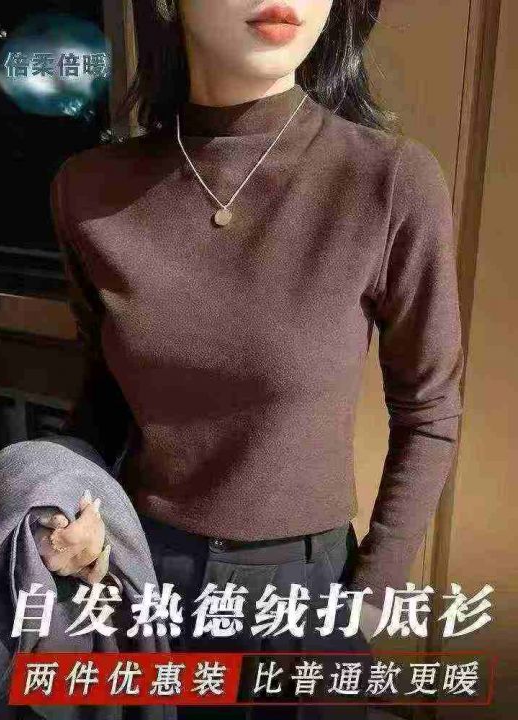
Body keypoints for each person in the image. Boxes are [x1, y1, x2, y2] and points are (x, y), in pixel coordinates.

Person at [40, 0, 464, 717]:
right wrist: (63, 506)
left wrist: (370, 597)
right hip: (138, 576)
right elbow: (104, 398)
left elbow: (430, 411)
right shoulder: (88, 189)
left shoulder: (388, 181)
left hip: (304, 592)